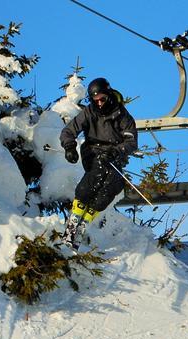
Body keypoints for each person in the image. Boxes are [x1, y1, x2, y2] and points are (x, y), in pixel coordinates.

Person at [58, 77, 138, 249]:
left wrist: (117, 151)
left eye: (102, 99)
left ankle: (83, 224)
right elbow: (68, 131)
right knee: (98, 172)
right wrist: (70, 147)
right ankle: (73, 223)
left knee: (113, 186)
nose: (99, 103)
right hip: (93, 152)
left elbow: (131, 142)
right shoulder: (89, 112)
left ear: (108, 95)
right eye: (95, 100)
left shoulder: (122, 115)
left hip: (114, 156)